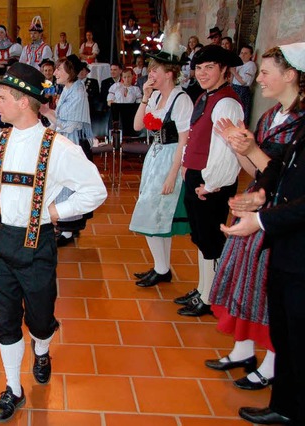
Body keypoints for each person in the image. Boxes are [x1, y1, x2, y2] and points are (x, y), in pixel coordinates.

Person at [0, 62, 107, 423]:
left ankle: (42, 348)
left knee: (41, 318)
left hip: (37, 243)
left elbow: (96, 190)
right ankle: (13, 388)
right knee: (6, 320)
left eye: (0, 97)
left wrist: (57, 212)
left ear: (23, 101)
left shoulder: (58, 147)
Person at [207, 43, 305, 394]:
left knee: (270, 293)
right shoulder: (268, 117)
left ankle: (272, 365)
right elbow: (259, 172)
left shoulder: (299, 123)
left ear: (290, 75)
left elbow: (284, 178)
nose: (258, 77)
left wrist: (251, 151)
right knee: (243, 282)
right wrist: (241, 151)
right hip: (259, 208)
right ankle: (243, 349)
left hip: (281, 216)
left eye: (265, 72)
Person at [174, 45, 244, 317]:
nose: (202, 73)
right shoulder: (207, 96)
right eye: (199, 68)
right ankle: (203, 287)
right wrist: (186, 166)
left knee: (211, 240)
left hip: (210, 180)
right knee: (201, 239)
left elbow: (227, 149)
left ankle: (211, 296)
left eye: (209, 68)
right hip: (198, 175)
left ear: (224, 70)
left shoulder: (226, 102)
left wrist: (212, 184)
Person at [128, 28, 193, 288]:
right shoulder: (154, 95)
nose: (150, 73)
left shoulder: (181, 100)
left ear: (169, 73)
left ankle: (162, 268)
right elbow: (136, 126)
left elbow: (184, 142)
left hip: (170, 158)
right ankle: (161, 268)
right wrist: (144, 97)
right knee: (156, 214)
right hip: (154, 157)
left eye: (155, 70)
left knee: (153, 213)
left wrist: (172, 174)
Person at [39, 56, 94, 246]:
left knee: (68, 185)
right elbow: (61, 119)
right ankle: (67, 228)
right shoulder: (69, 89)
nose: (54, 73)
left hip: (73, 143)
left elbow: (67, 125)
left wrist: (46, 113)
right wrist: (47, 111)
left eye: (58, 69)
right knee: (64, 184)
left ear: (69, 71)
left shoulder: (78, 92)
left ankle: (68, 231)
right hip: (66, 140)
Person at [231, 45, 257, 126]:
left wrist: (234, 72)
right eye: (241, 53)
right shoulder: (239, 64)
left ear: (250, 55)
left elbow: (243, 82)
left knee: (240, 111)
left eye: (246, 53)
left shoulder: (251, 65)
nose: (243, 55)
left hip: (242, 90)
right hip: (234, 87)